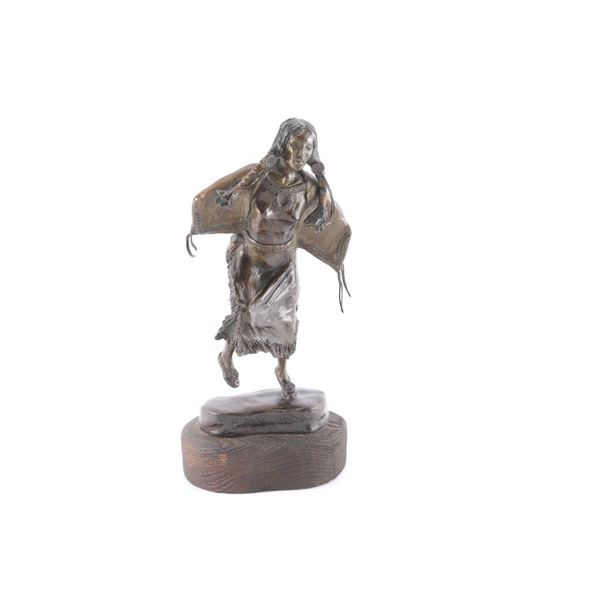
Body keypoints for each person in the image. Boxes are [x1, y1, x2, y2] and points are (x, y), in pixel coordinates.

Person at [187, 118, 351, 400]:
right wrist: (218, 204)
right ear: (283, 144)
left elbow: (330, 215)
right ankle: (226, 356)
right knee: (246, 314)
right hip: (251, 260)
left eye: (307, 148)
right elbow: (226, 191)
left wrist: (324, 201)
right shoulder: (258, 176)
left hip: (284, 267)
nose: (301, 154)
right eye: (296, 146)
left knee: (285, 321)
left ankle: (282, 371)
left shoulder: (310, 188)